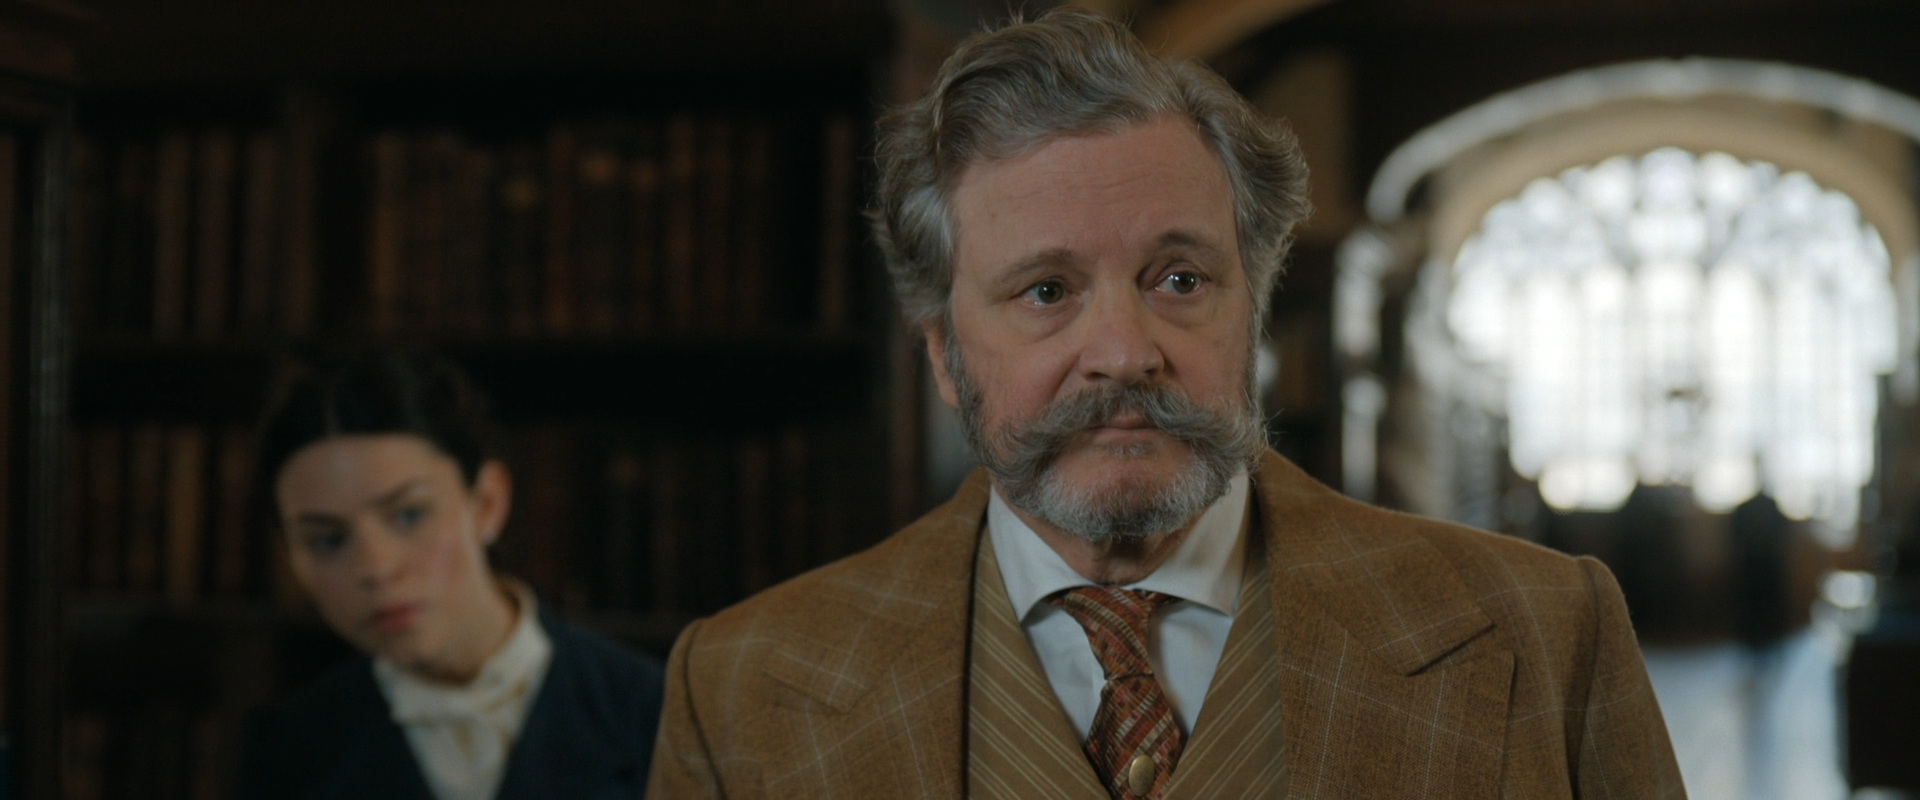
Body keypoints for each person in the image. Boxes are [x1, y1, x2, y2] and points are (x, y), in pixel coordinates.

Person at [648, 9, 1683, 800]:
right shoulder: (739, 691)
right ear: (944, 355)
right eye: (1045, 291)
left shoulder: (1548, 636)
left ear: (1254, 310)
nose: (1124, 354)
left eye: (1179, 280)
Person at [238, 349, 664, 800]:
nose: (376, 569)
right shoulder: (288, 748)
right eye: (327, 540)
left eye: (409, 514)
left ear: (486, 503)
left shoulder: (653, 711)